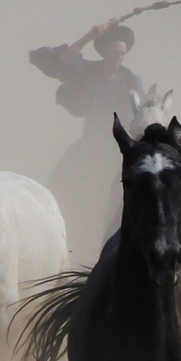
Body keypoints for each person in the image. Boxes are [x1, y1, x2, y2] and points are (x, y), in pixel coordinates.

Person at [29, 19, 146, 260]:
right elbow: (61, 61)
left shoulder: (131, 81)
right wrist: (89, 36)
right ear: (104, 52)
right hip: (90, 145)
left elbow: (143, 112)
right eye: (114, 52)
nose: (119, 57)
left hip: (120, 150)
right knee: (58, 185)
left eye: (122, 53)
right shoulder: (90, 71)